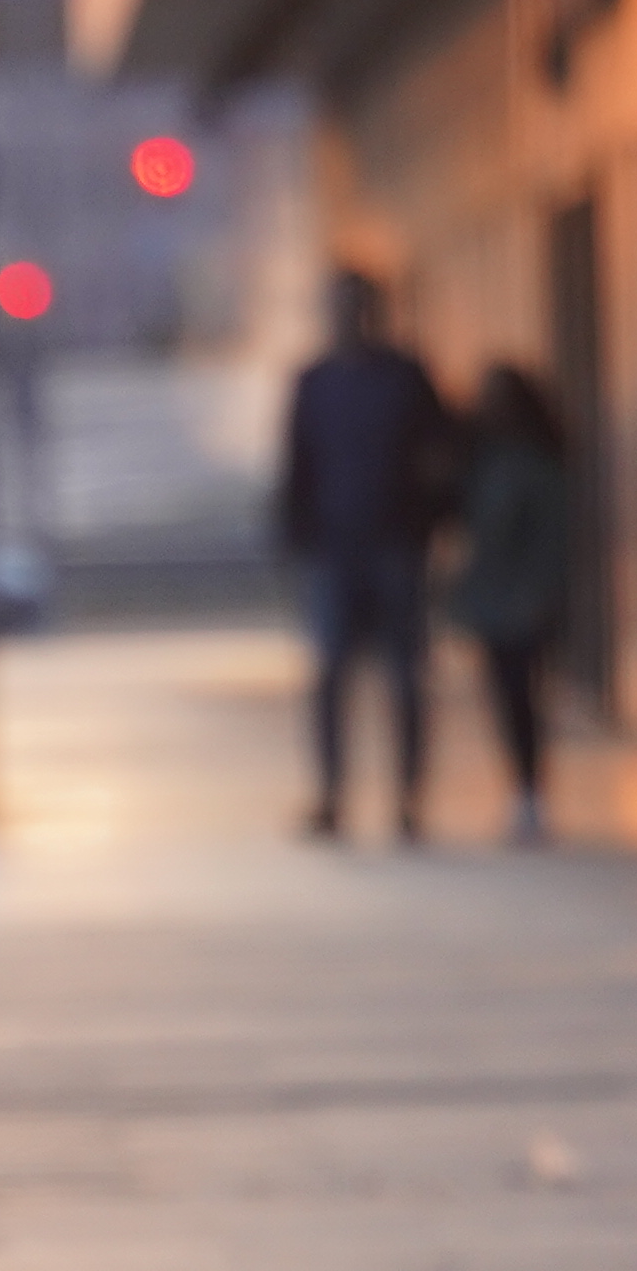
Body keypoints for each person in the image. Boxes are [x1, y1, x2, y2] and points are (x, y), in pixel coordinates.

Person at [277, 266, 453, 841]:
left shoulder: (405, 376)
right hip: (335, 547)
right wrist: (298, 535)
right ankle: (332, 794)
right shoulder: (314, 381)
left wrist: (428, 523)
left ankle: (408, 798)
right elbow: (296, 464)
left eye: (357, 306)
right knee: (331, 676)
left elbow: (440, 454)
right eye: (338, 306)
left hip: (395, 544)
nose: (348, 317)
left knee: (405, 677)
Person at [443, 364, 579, 846]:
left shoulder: (538, 464)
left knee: (523, 698)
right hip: (493, 602)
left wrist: (545, 595)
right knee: (505, 698)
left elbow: (552, 539)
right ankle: (522, 790)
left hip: (524, 601)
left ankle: (530, 792)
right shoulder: (481, 461)